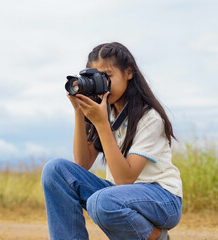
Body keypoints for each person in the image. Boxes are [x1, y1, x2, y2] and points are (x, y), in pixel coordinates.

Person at [41, 42, 182, 240]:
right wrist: (79, 112)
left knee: (101, 202)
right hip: (119, 196)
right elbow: (82, 164)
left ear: (128, 72)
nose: (102, 84)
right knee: (55, 170)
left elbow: (125, 180)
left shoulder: (149, 118)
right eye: (95, 78)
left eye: (107, 77)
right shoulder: (106, 112)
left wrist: (102, 125)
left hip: (162, 199)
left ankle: (156, 237)